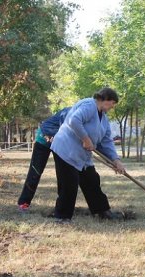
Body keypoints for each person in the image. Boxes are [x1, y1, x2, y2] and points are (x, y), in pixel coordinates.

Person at [50, 87, 126, 222]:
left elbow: (106, 141)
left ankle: (102, 211)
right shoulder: (89, 105)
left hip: (82, 156)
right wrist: (86, 139)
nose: (112, 107)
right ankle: (62, 217)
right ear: (105, 99)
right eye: (112, 103)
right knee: (69, 184)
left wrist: (115, 160)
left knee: (92, 181)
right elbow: (74, 120)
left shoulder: (104, 119)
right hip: (66, 150)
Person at [18, 107, 71, 212]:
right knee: (35, 171)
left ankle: (61, 207)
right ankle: (23, 203)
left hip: (59, 142)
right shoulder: (68, 112)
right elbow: (64, 130)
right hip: (43, 139)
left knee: (62, 174)